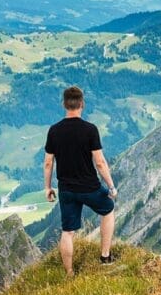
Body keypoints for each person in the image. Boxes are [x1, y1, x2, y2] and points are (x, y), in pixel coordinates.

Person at [43, 85, 117, 276]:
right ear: (82, 104)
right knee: (108, 210)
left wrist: (47, 187)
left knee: (67, 231)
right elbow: (100, 163)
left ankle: (69, 273)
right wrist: (111, 185)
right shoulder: (90, 130)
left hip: (66, 189)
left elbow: (48, 163)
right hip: (89, 187)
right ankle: (105, 257)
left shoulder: (54, 130)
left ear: (64, 105)